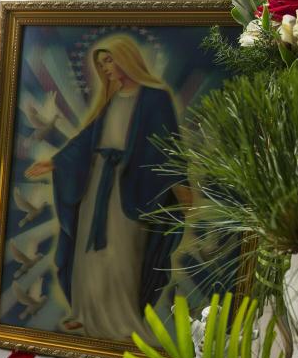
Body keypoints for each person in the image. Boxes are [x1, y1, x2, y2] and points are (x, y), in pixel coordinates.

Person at [25, 34, 189, 341]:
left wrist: (180, 183)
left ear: (126, 58)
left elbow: (169, 144)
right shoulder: (112, 99)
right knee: (89, 253)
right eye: (101, 64)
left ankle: (123, 320)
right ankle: (86, 315)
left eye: (109, 60)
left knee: (122, 254)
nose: (106, 68)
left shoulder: (155, 97)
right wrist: (56, 162)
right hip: (99, 185)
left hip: (133, 187)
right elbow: (89, 139)